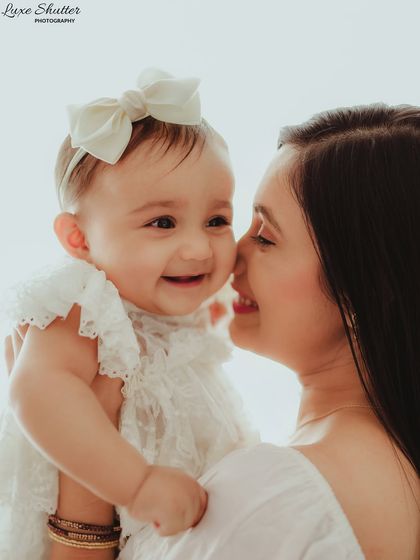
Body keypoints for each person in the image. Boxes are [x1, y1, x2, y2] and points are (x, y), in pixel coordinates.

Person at [20, 102, 420, 560]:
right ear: (78, 237)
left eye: (263, 235)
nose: (228, 254)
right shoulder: (388, 468)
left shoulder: (284, 494)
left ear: (363, 286)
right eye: (163, 223)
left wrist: (84, 501)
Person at [0, 68, 257, 560]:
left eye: (217, 220)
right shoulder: (82, 302)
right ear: (79, 239)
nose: (200, 247)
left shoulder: (170, 310)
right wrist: (136, 484)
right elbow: (38, 391)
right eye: (163, 222)